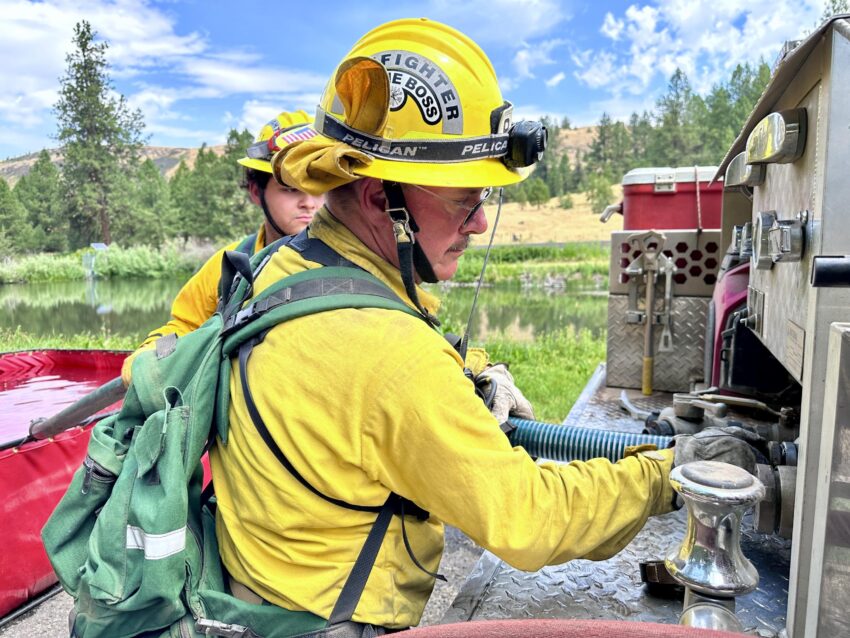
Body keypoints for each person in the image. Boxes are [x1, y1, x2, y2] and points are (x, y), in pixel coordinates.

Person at [208, 18, 751, 637]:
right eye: (464, 198)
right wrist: (670, 474)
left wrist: (467, 376)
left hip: (256, 592)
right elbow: (529, 518)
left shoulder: (285, 264)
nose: (477, 223)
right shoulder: (389, 357)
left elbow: (346, 387)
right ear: (375, 194)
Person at [120, 111, 325, 385]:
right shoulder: (229, 264)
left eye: (320, 187)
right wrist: (150, 354)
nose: (309, 203)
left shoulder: (357, 261)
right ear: (255, 191)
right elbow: (185, 326)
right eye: (290, 188)